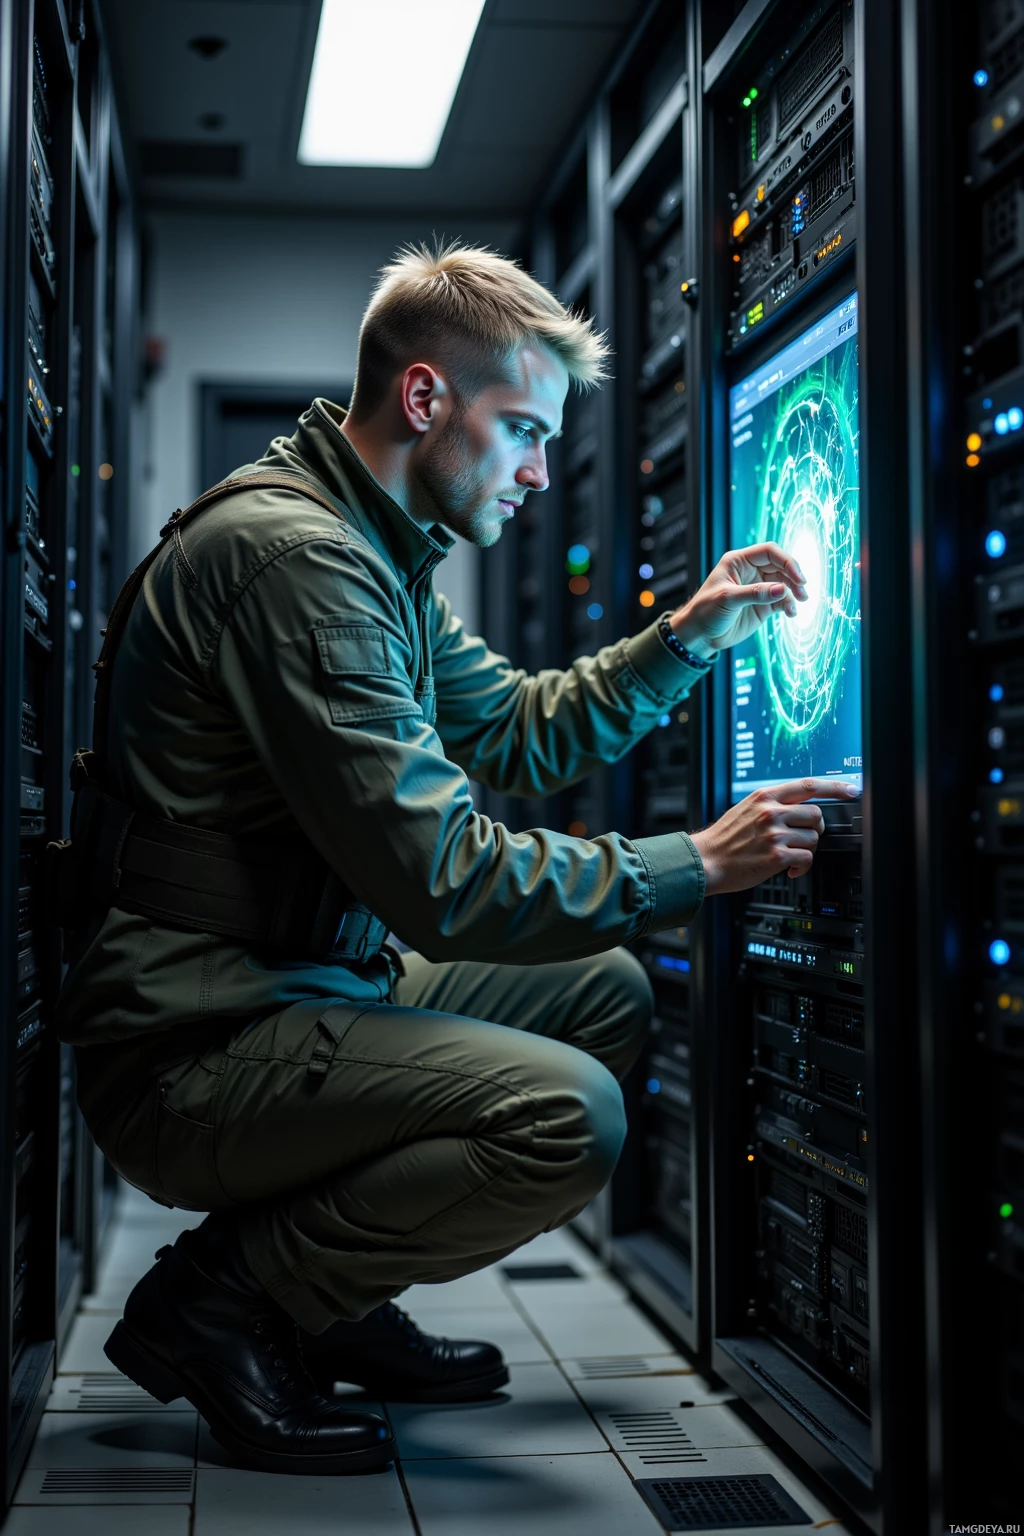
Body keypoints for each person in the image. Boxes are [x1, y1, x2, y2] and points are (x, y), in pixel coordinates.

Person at [56, 242, 858, 1476]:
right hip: (192, 1045)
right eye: (525, 430)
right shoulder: (304, 562)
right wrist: (695, 862)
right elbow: (448, 882)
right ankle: (222, 1304)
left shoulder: (371, 549)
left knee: (601, 991)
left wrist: (689, 637)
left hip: (294, 985)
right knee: (565, 1115)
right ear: (426, 398)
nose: (541, 472)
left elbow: (522, 727)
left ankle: (321, 1292)